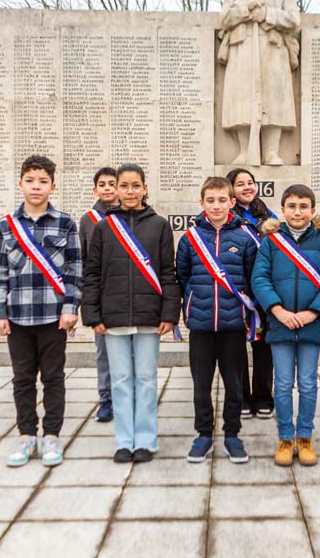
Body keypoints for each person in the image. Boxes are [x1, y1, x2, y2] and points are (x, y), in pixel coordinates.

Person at [82, 164, 181, 464]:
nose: (129, 191)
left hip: (149, 315)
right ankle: (124, 441)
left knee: (147, 379)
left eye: (135, 185)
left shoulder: (160, 225)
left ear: (145, 188)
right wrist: (92, 314)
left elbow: (168, 271)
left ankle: (146, 440)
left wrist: (169, 313)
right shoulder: (103, 228)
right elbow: (92, 273)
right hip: (113, 316)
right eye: (124, 186)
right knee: (122, 379)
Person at [0, 155, 81, 468]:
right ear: (20, 184)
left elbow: (74, 270)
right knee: (22, 379)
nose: (36, 187)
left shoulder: (65, 223)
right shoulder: (5, 227)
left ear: (53, 186)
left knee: (54, 378)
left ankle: (52, 436)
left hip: (54, 317)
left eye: (43, 181)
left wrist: (71, 307)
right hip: (17, 317)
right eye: (30, 181)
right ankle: (27, 436)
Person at [252, 184, 320, 467]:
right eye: (291, 206)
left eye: (304, 206)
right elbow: (260, 279)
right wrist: (277, 310)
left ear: (313, 211)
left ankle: (305, 436)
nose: (298, 211)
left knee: (307, 383)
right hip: (280, 324)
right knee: (282, 383)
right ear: (282, 210)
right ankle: (285, 437)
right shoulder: (270, 242)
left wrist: (312, 313)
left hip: (310, 325)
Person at [177, 177, 258, 464]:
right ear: (202, 203)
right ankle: (203, 434)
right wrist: (191, 304)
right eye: (210, 200)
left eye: (222, 200)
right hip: (200, 325)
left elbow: (251, 279)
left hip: (233, 325)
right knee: (201, 383)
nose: (216, 205)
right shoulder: (189, 238)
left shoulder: (245, 238)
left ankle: (232, 434)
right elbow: (183, 277)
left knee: (234, 383)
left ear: (232, 202)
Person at [217, 0, 300, 166]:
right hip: (242, 48)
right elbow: (224, 19)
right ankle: (244, 151)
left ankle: (271, 152)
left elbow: (294, 20)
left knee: (275, 101)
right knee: (242, 100)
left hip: (273, 50)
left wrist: (267, 13)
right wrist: (247, 6)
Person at [226, 168, 277, 419]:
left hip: (264, 289)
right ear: (231, 190)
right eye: (240, 184)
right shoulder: (225, 217)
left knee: (264, 346)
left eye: (251, 182)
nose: (247, 187)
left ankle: (264, 397)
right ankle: (242, 398)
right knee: (236, 347)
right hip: (237, 290)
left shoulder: (269, 216)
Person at [79, 166, 119, 423]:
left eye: (111, 184)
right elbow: (83, 261)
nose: (107, 188)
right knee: (104, 351)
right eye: (102, 184)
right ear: (95, 189)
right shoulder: (87, 220)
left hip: (127, 294)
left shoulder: (129, 216)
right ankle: (106, 399)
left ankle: (130, 397)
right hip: (101, 295)